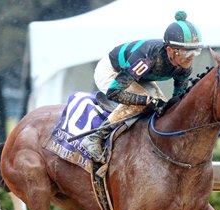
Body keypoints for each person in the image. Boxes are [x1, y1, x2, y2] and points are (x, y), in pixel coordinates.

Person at [81, 10, 204, 162]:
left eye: (195, 52)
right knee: (140, 104)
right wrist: (146, 101)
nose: (190, 59)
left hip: (139, 76)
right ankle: (95, 137)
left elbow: (178, 100)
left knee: (163, 106)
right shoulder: (147, 59)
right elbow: (114, 93)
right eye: (186, 53)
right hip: (112, 72)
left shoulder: (184, 67)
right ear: (170, 50)